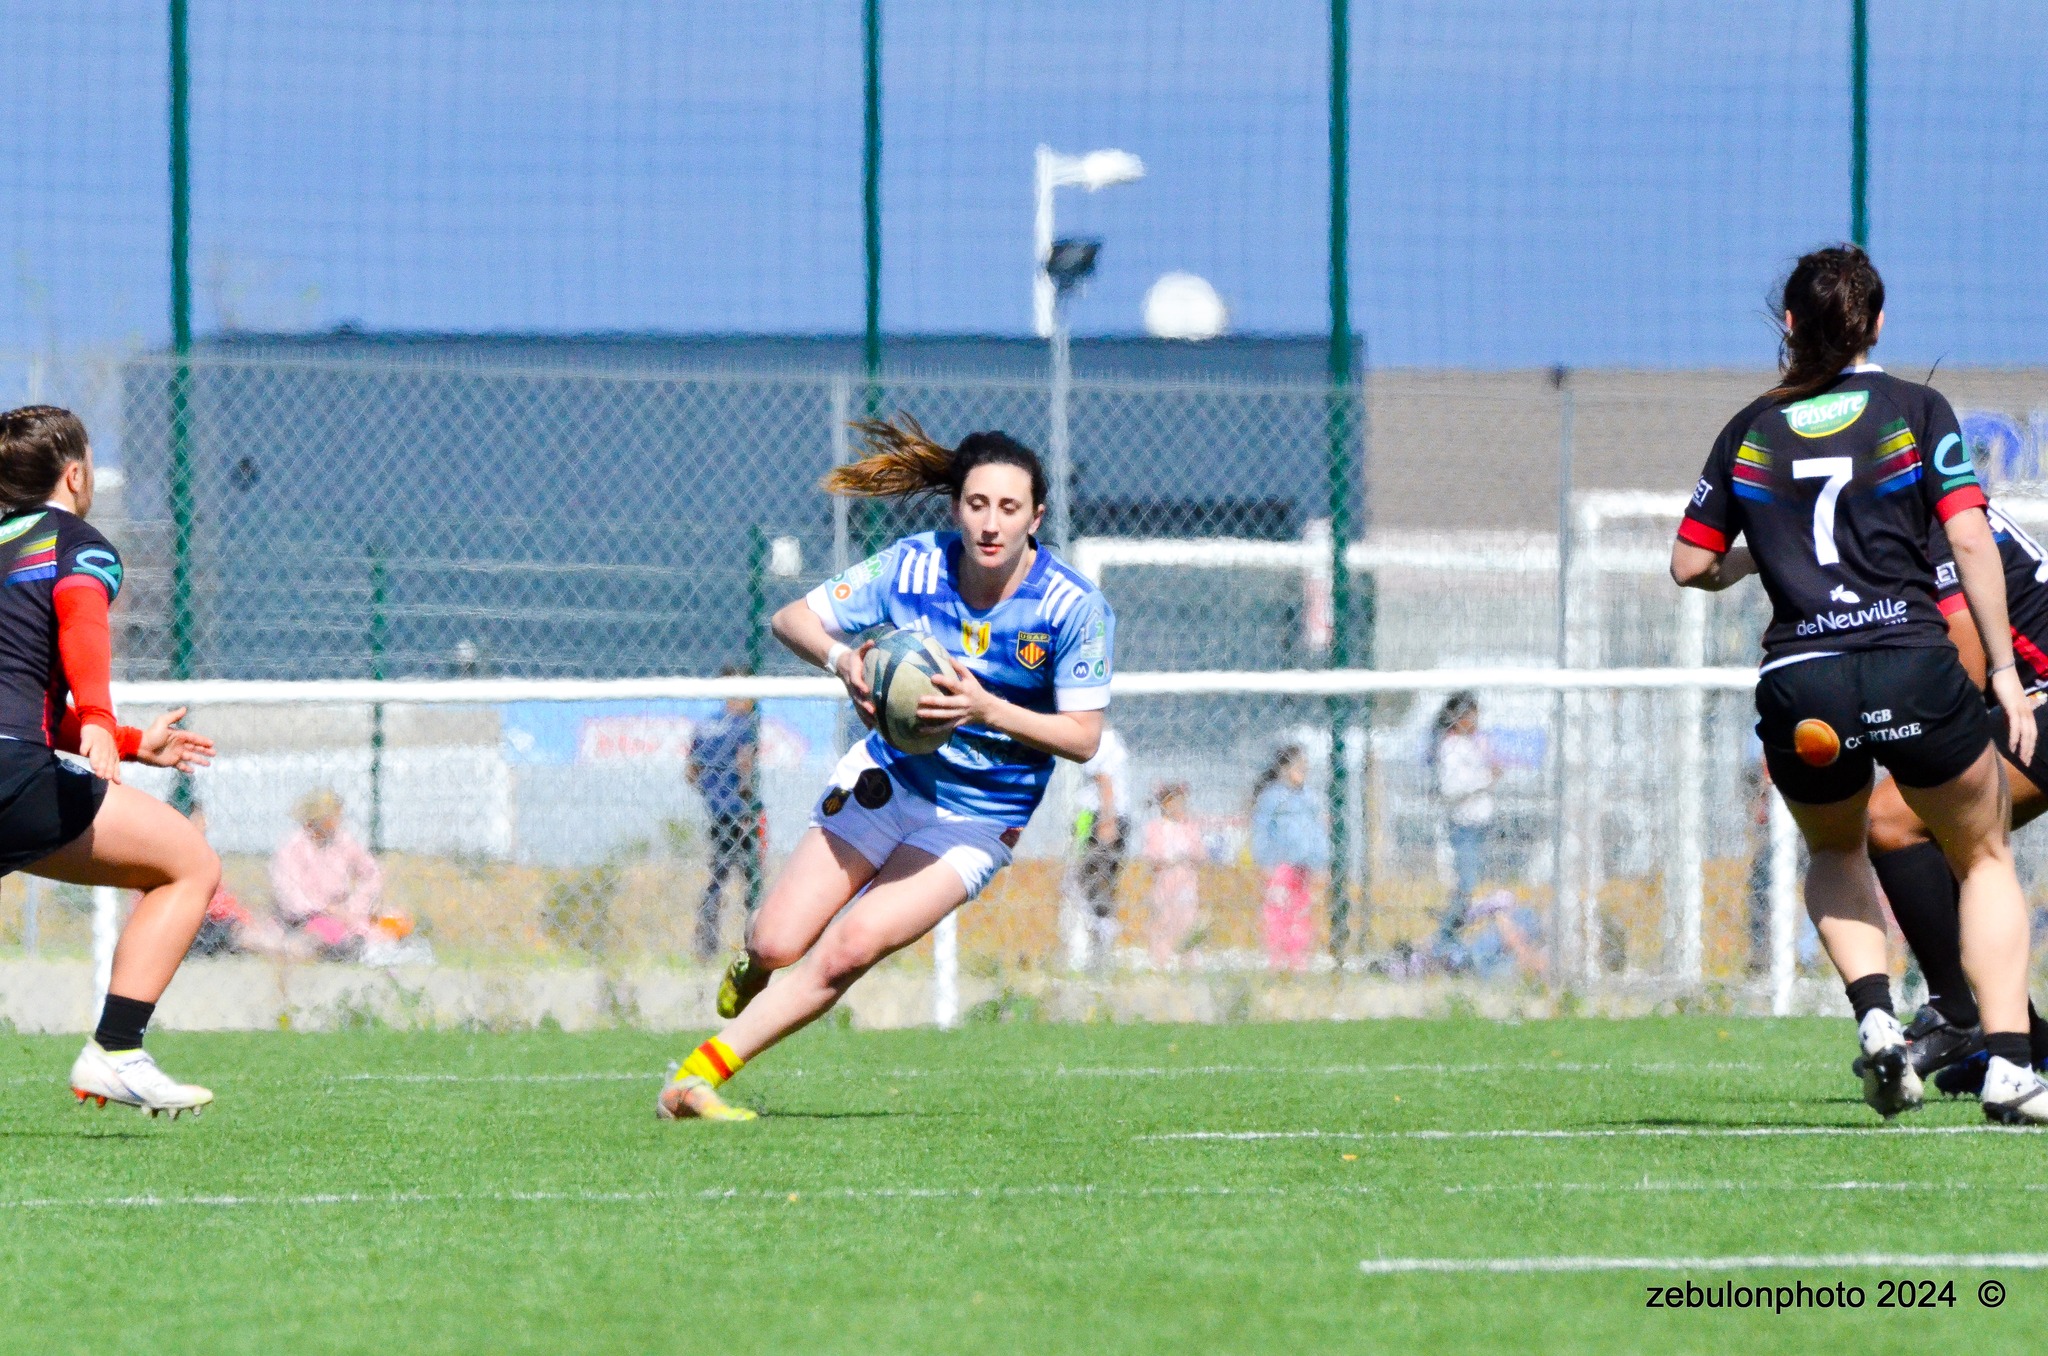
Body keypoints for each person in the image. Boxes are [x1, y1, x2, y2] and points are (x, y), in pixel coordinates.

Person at [1670, 244, 2048, 1123]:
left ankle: (1923, 1017)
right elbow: (1958, 563)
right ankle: (1992, 1040)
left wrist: (2007, 683)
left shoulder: (1756, 428)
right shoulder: (1909, 427)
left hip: (1831, 675)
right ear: (1878, 324)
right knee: (1943, 836)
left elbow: (1691, 562)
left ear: (1790, 327)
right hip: (1925, 667)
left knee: (1864, 832)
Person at [657, 414, 1114, 1120]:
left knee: (851, 946)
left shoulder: (1071, 606)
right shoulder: (913, 565)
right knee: (775, 941)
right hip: (887, 779)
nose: (991, 523)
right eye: (977, 504)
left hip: (976, 821)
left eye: (1010, 507)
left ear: (1036, 516)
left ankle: (693, 1080)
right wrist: (848, 662)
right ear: (956, 506)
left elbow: (1083, 738)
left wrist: (984, 708)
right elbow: (790, 619)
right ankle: (753, 965)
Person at [0, 408, 221, 1117]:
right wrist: (99, 718)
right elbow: (80, 620)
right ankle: (117, 1050)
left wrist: (127, 741)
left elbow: (19, 692)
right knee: (189, 865)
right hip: (10, 775)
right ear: (76, 473)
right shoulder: (78, 543)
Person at [1858, 496, 2048, 1093]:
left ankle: (1961, 1014)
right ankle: (2017, 1038)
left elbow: (1966, 657)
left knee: (1896, 819)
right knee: (1933, 836)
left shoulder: (1924, 516)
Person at [686, 671, 761, 959]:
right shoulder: (744, 726)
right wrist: (745, 798)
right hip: (741, 815)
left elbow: (692, 771)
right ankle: (756, 942)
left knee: (717, 878)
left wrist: (712, 792)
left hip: (716, 814)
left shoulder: (705, 726)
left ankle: (706, 943)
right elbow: (745, 766)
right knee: (753, 879)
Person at [269, 788, 384, 957]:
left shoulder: (343, 842)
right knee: (325, 932)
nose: (337, 822)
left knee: (393, 921)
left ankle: (359, 943)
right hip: (306, 917)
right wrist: (325, 909)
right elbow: (291, 895)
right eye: (331, 817)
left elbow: (371, 874)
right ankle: (342, 946)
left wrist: (357, 905)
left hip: (344, 911)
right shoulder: (292, 848)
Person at [1250, 745, 1326, 972]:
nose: (1304, 771)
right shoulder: (1272, 798)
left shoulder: (1309, 799)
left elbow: (1318, 832)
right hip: (1280, 865)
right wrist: (1264, 860)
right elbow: (1261, 830)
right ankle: (1278, 958)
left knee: (1301, 911)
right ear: (1284, 769)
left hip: (1304, 866)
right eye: (1298, 767)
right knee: (1278, 910)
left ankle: (1298, 958)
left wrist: (1321, 862)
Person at [1431, 692, 1495, 951]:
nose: (1475, 721)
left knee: (1469, 888)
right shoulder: (1451, 747)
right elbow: (1452, 788)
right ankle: (1443, 944)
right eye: (1470, 715)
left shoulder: (1471, 744)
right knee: (1464, 888)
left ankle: (1452, 942)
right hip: (1463, 827)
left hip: (1478, 825)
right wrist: (1486, 779)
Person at [1067, 722, 1129, 971]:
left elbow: (1105, 782)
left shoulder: (1100, 740)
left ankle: (1098, 948)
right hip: (1094, 818)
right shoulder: (1112, 739)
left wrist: (1107, 820)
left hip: (1100, 819)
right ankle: (1094, 945)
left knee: (1091, 886)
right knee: (1084, 883)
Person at [1140, 781, 1204, 968]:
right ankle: (1161, 959)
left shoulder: (1190, 827)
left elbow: (1200, 852)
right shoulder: (1155, 827)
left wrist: (1190, 855)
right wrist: (1165, 858)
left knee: (1187, 920)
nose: (1178, 808)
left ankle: (1189, 960)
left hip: (1186, 880)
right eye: (1173, 803)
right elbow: (1150, 854)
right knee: (1162, 920)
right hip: (1164, 879)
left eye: (1181, 803)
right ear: (1164, 805)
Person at [183, 803, 253, 957]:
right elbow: (212, 903)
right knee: (239, 932)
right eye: (200, 819)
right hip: (192, 925)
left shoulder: (201, 854)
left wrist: (242, 915)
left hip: (208, 922)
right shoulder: (183, 856)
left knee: (242, 927)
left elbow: (220, 898)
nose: (206, 824)